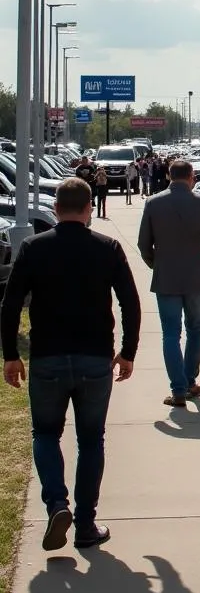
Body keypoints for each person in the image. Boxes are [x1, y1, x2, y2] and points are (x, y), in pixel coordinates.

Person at [1, 177, 141, 552]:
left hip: (47, 356)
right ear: (88, 207)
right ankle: (86, 523)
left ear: (57, 208)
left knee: (45, 434)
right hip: (95, 358)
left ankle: (57, 504)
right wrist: (128, 351)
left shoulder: (33, 247)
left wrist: (11, 355)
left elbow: (10, 303)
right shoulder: (107, 248)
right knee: (91, 440)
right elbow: (130, 302)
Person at [137, 160, 200, 407]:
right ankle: (189, 380)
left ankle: (177, 389)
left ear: (168, 175)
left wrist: (157, 264)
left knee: (170, 333)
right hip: (196, 278)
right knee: (195, 328)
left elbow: (144, 244)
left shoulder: (153, 203)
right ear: (191, 177)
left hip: (166, 278)